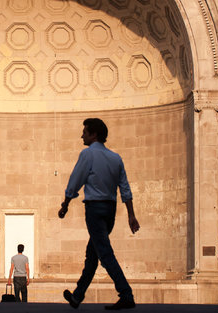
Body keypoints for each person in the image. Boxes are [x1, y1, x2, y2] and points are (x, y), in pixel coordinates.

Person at [58, 118, 140, 311]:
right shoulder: (115, 158)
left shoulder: (88, 154)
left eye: (85, 132)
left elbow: (75, 180)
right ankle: (77, 296)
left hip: (94, 209)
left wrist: (66, 203)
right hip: (110, 210)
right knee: (93, 254)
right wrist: (131, 215)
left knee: (104, 253)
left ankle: (126, 294)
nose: (82, 135)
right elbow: (125, 188)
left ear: (93, 134)